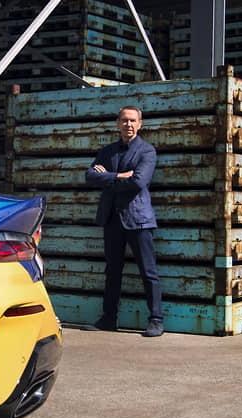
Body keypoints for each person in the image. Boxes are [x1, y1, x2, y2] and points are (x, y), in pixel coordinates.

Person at [84, 105, 163, 337]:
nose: (128, 124)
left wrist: (107, 178)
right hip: (112, 219)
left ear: (140, 124)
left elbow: (138, 182)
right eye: (124, 120)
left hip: (138, 220)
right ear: (118, 123)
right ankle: (109, 319)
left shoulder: (147, 151)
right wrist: (119, 175)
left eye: (133, 120)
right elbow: (90, 176)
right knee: (112, 272)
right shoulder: (107, 151)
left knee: (148, 272)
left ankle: (156, 320)